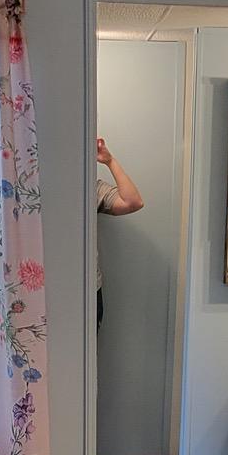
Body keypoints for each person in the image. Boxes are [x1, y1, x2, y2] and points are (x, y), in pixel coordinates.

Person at [95, 138, 144, 324]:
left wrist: (109, 161)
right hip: (43, 286)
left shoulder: (89, 188)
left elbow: (133, 202)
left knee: (86, 353)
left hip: (87, 289)